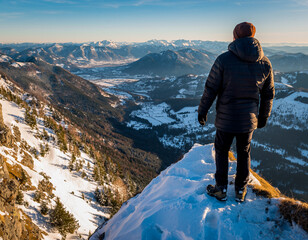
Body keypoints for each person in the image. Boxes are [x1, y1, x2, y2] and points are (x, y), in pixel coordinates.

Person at [198, 22, 275, 202]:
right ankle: (241, 190)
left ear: (235, 36)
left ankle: (221, 188)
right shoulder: (265, 62)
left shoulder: (224, 59)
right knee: (244, 151)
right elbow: (268, 93)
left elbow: (211, 88)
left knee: (222, 150)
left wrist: (203, 110)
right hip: (248, 120)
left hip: (226, 118)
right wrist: (264, 116)